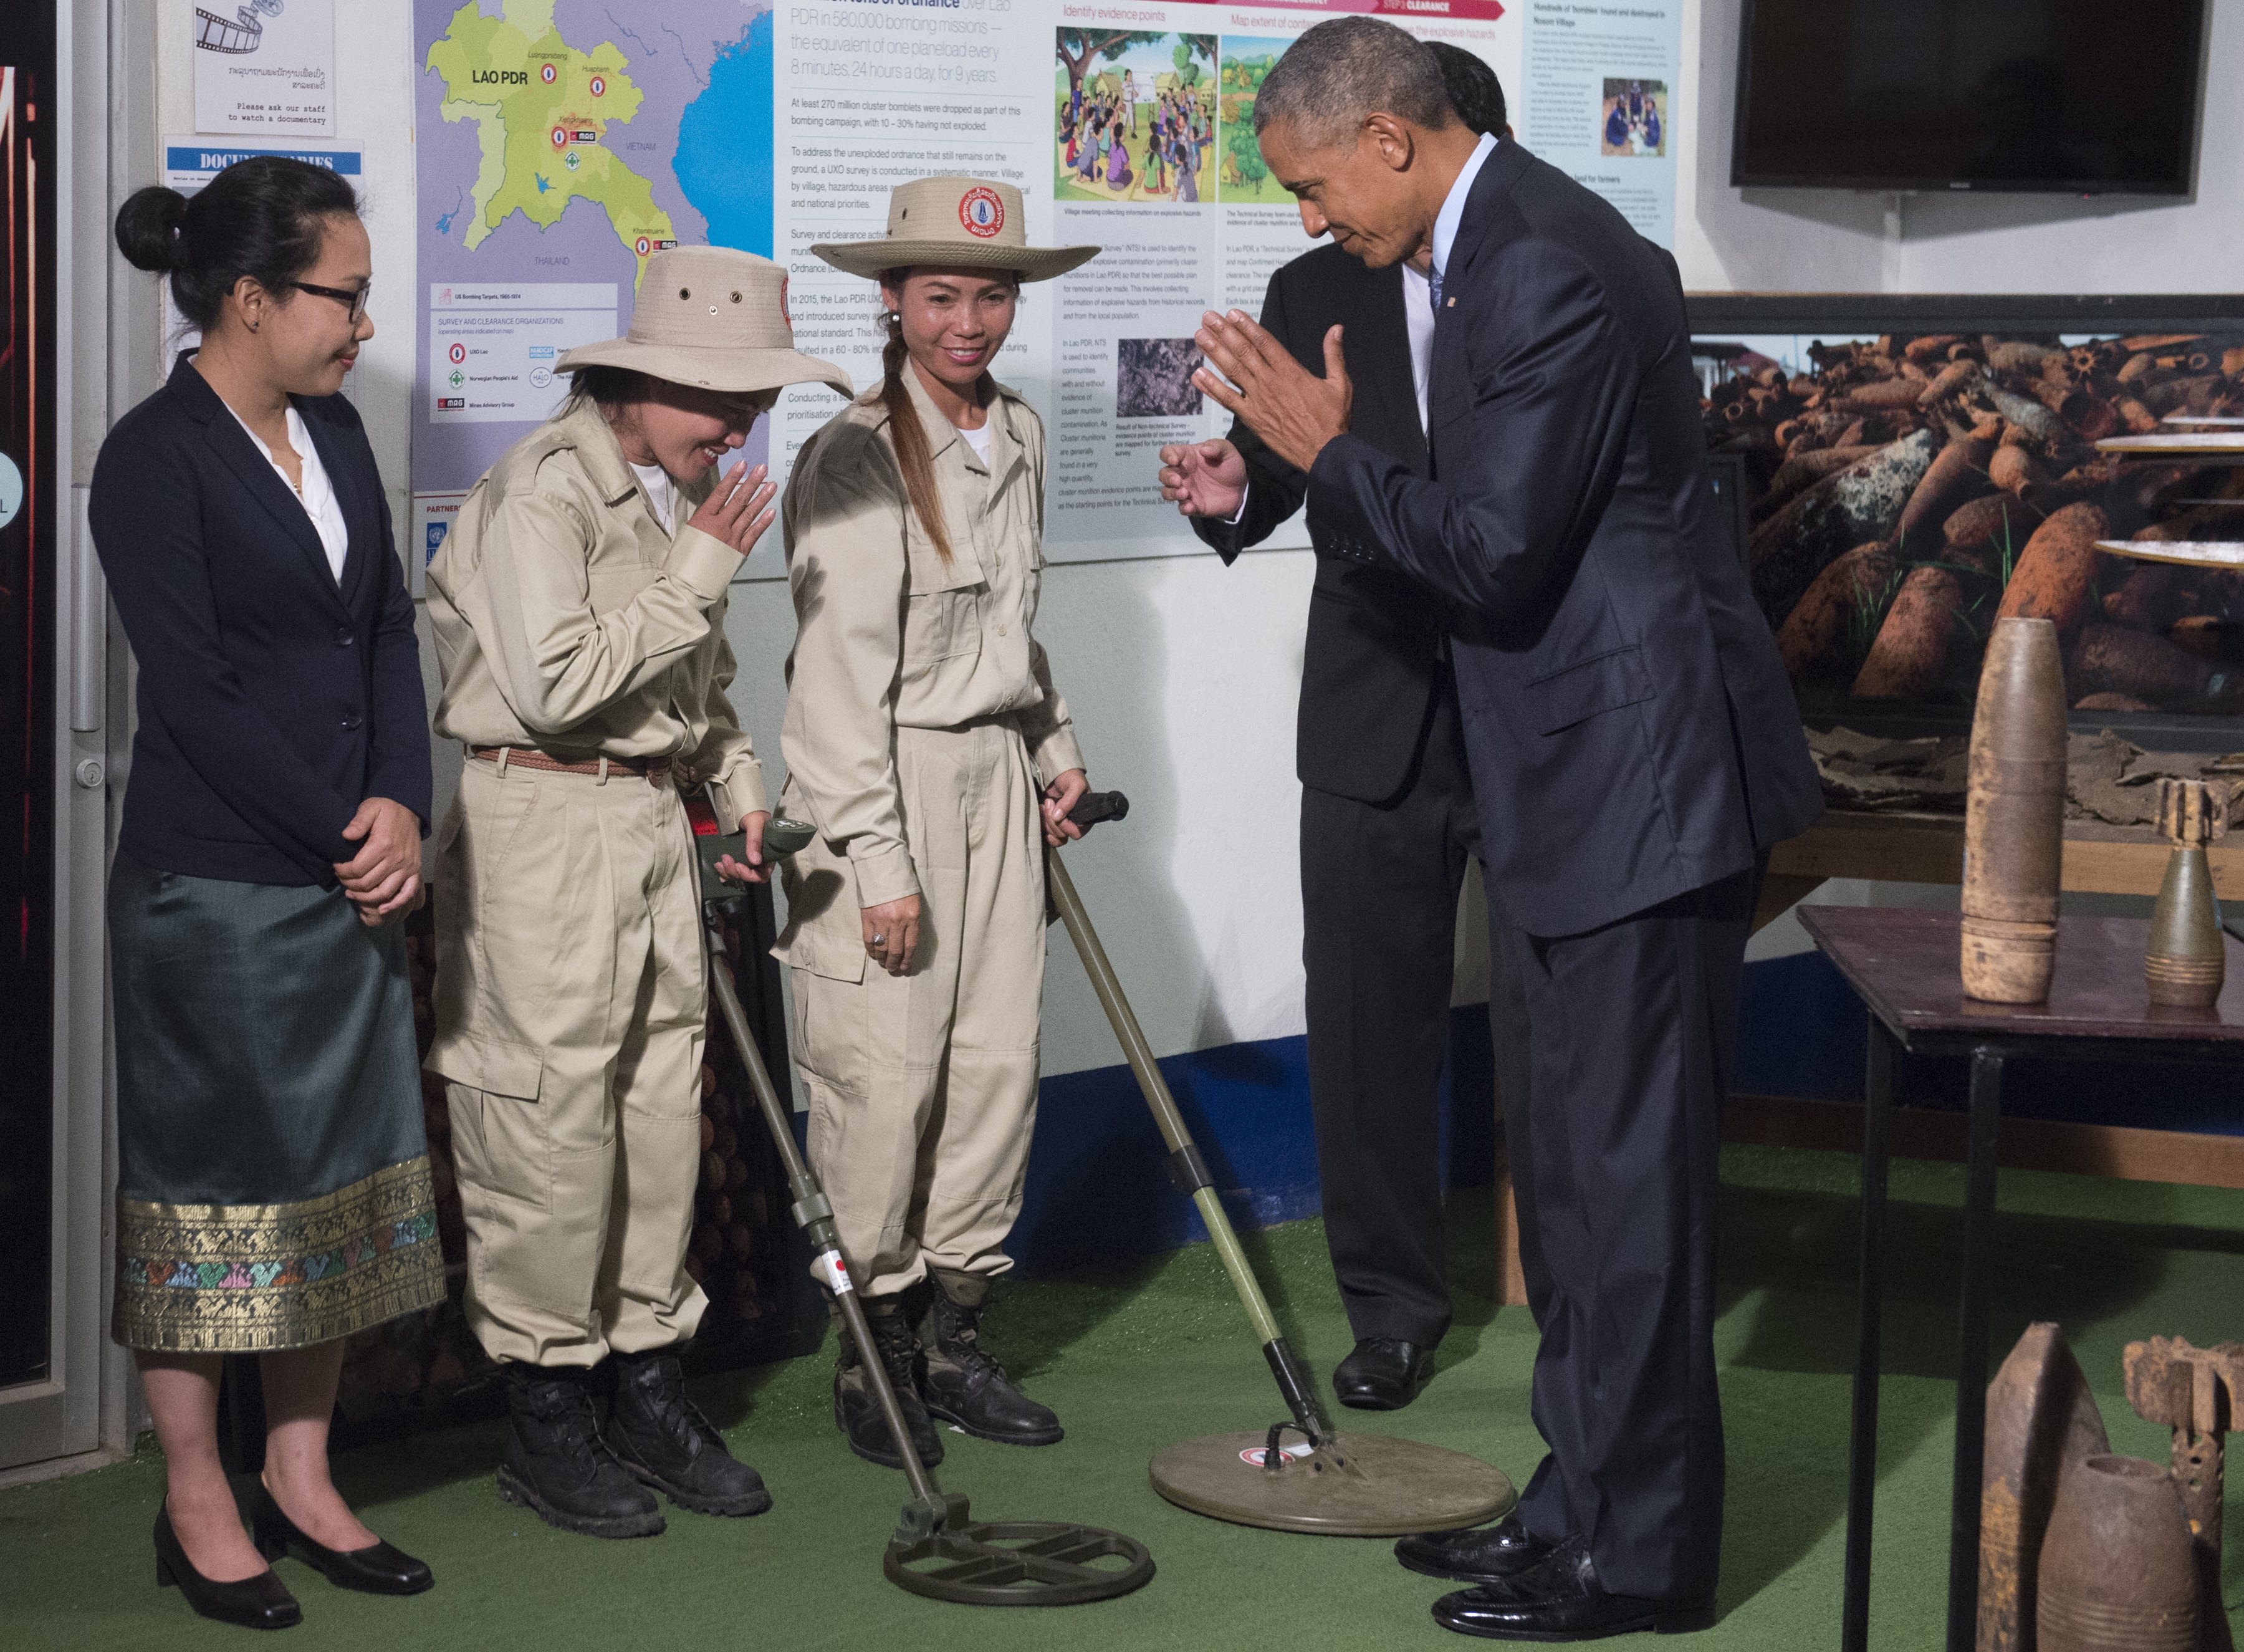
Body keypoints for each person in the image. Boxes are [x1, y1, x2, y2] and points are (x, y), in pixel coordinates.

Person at [1189, 17, 1821, 1641]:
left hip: (1643, 790)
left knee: (1627, 1200)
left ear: (1391, 140)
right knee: (1581, 1188)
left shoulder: (1537, 259)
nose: (1312, 222)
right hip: (1591, 782)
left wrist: (1328, 458)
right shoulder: (1495, 246)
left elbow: (1493, 554)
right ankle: (1570, 1516)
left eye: (1318, 187)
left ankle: (1640, 1559)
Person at [423, 247, 852, 1540]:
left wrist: (737, 777)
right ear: (638, 378)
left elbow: (693, 685)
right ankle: (548, 1412)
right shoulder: (541, 495)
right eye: (720, 401)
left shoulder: (677, 496)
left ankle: (645, 1383)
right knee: (548, 1119)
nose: (739, 429)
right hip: (541, 814)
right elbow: (557, 685)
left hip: (649, 822)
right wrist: (700, 573)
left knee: (661, 1108)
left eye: (756, 405)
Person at [95, 156, 443, 1630]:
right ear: (250, 297)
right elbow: (197, 691)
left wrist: (406, 806)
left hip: (347, 882)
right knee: (212, 1204)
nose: (363, 325)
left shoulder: (341, 433)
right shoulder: (150, 457)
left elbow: (383, 638)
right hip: (215, 890)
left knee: (333, 1193)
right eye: (343, 297)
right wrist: (343, 829)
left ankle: (301, 1479)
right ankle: (197, 1499)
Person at [1156, 40, 1507, 1416]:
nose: (1319, 214)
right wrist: (1232, 488)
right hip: (1371, 716)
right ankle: (1392, 1310)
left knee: (1557, 1029)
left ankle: (1590, 1286)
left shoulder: (1536, 285)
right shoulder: (1310, 289)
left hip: (1528, 710)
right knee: (1365, 1033)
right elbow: (1296, 472)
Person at [782, 177, 1098, 1471]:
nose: (970, 320)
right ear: (894, 303)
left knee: (990, 1075)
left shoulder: (1014, 430)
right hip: (884, 785)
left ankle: (956, 1336)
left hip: (992, 781)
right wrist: (877, 860)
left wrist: (1056, 747)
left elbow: (1007, 629)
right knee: (882, 1084)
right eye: (942, 296)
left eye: (991, 294)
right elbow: (837, 685)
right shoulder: (855, 454)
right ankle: (874, 1356)